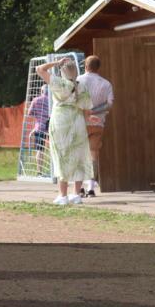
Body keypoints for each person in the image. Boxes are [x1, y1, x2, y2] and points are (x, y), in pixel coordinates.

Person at [36, 57, 93, 205]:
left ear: (62, 71)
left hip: (61, 122)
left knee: (61, 156)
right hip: (78, 122)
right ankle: (76, 195)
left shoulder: (59, 83)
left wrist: (56, 62)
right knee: (79, 157)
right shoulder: (82, 86)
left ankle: (62, 195)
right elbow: (87, 111)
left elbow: (39, 69)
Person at [76, 55, 114, 196]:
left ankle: (79, 188)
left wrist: (86, 111)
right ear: (98, 67)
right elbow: (109, 104)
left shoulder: (78, 80)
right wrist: (94, 111)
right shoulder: (106, 84)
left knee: (79, 154)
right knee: (93, 154)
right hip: (98, 123)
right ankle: (91, 188)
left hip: (80, 122)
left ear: (86, 66)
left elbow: (73, 100)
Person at [28, 86, 50, 176]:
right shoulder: (51, 101)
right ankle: (54, 171)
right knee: (53, 149)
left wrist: (38, 115)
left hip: (39, 127)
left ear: (41, 91)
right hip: (50, 126)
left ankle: (39, 171)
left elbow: (29, 113)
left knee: (39, 149)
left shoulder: (36, 100)